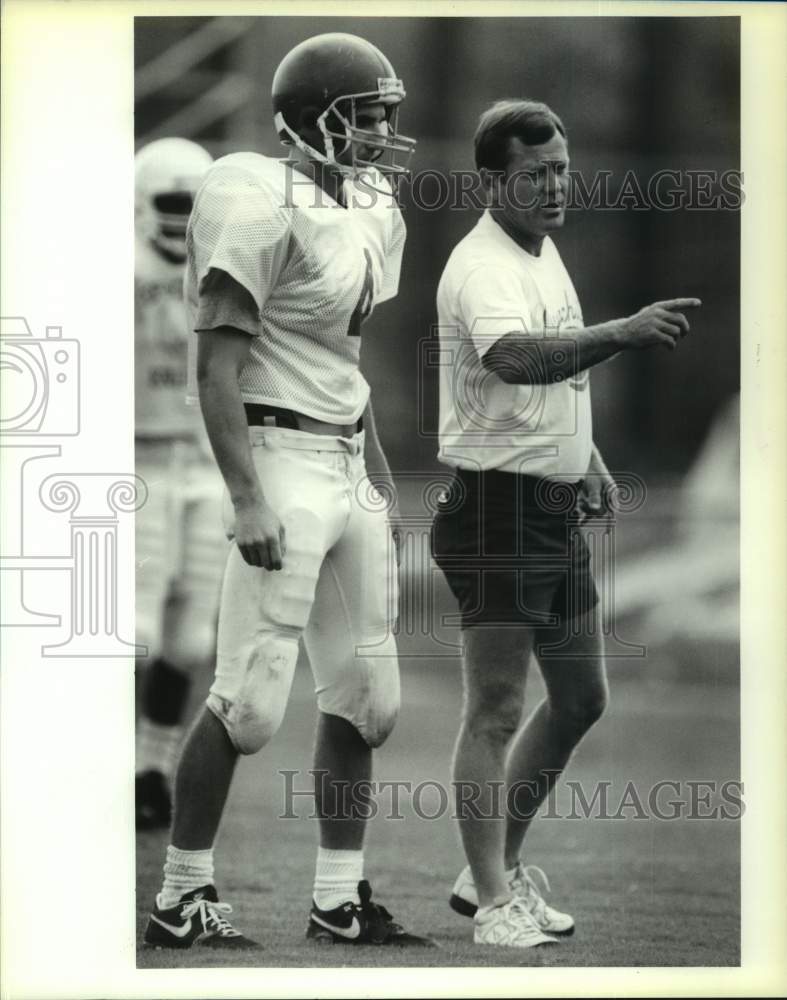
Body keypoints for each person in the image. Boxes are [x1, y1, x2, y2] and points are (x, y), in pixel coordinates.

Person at [144, 33, 432, 949]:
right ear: (314, 116)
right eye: (369, 111)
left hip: (343, 460)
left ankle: (337, 899)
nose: (385, 128)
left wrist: (376, 471)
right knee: (250, 698)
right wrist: (245, 497)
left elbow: (342, 361)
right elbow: (217, 365)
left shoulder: (373, 203)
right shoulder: (257, 199)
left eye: (388, 110)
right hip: (275, 458)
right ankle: (181, 894)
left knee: (366, 698)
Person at [431, 99, 700, 949]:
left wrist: (585, 460)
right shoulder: (482, 264)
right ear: (491, 181)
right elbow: (512, 358)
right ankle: (492, 902)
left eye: (559, 168)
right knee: (497, 710)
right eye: (534, 173)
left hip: (547, 508)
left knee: (581, 697)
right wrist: (620, 332)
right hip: (497, 511)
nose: (554, 186)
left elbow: (549, 378)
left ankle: (492, 882)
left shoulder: (543, 253)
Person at [134, 138, 227, 831]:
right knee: (130, 632)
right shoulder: (112, 267)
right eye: (172, 202)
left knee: (191, 641)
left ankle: (152, 769)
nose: (183, 217)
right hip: (132, 461)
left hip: (202, 464)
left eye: (194, 205)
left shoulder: (222, 270)